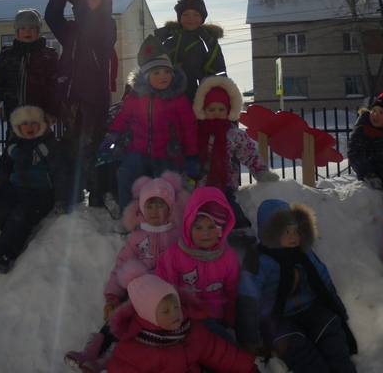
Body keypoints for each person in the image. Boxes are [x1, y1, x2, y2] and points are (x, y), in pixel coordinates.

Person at [64, 172, 190, 372]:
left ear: (170, 207)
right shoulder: (137, 237)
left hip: (164, 294)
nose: (154, 211)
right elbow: (122, 265)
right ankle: (92, 350)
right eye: (149, 205)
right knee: (118, 315)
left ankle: (109, 357)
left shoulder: (177, 234)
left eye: (160, 205)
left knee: (132, 323)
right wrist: (113, 295)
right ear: (141, 208)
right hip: (139, 289)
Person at [236, 199, 358, 373]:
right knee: (295, 346)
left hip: (309, 308)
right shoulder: (259, 258)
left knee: (330, 331)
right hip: (276, 317)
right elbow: (248, 296)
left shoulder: (304, 252)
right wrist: (249, 338)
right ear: (271, 232)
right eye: (286, 231)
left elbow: (323, 280)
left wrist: (338, 310)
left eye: (297, 230)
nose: (293, 236)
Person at [45, 0, 117, 208]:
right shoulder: (72, 30)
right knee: (71, 144)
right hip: (70, 94)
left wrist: (76, 1)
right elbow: (52, 18)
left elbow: (90, 28)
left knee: (91, 144)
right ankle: (73, 190)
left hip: (94, 96)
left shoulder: (106, 26)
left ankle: (96, 190)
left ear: (103, 4)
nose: (89, 3)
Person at [106, 260, 259, 373]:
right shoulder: (133, 352)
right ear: (148, 315)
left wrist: (248, 369)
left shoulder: (191, 330)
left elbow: (219, 353)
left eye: (176, 307)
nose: (174, 313)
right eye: (166, 311)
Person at [103, 35, 198, 214]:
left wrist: (192, 156)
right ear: (146, 77)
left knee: (169, 184)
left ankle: (171, 216)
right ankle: (128, 213)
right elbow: (123, 117)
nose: (163, 77)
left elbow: (189, 128)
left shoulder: (177, 98)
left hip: (168, 154)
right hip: (139, 151)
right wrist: (114, 133)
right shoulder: (135, 97)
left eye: (166, 72)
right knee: (125, 174)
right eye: (156, 73)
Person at [0, 105, 72, 274]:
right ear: (18, 127)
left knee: (22, 213)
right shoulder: (14, 146)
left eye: (33, 123)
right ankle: (14, 226)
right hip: (15, 190)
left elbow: (62, 172)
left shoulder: (50, 145)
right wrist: (3, 187)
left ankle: (3, 255)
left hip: (40, 194)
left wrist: (61, 199)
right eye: (24, 124)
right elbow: (5, 166)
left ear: (41, 124)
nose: (29, 127)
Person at [192, 75, 279, 248]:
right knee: (196, 207)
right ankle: (196, 232)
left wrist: (261, 171)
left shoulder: (233, 134)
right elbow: (187, 154)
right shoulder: (196, 132)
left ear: (229, 110)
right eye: (211, 109)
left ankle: (241, 229)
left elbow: (249, 153)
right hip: (198, 182)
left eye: (221, 109)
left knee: (229, 202)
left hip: (224, 181)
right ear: (203, 109)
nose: (216, 113)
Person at [0, 8, 59, 189]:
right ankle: (8, 186)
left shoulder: (48, 55)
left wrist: (52, 111)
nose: (27, 32)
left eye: (32, 28)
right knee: (13, 150)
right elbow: (0, 81)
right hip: (14, 113)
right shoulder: (8, 55)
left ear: (38, 31)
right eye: (23, 28)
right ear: (17, 31)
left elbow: (54, 86)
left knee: (44, 150)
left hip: (39, 114)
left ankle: (47, 186)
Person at [156, 186, 240, 344]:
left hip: (215, 318)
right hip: (183, 317)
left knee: (223, 346)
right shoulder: (174, 255)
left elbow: (232, 292)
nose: (205, 233)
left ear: (221, 229)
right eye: (199, 227)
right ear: (189, 227)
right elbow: (164, 289)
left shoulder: (227, 257)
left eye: (211, 227)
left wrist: (230, 320)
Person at [154, 0, 226, 102]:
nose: (191, 18)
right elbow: (155, 66)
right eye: (186, 14)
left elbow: (217, 71)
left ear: (202, 18)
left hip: (197, 97)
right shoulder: (168, 40)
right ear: (179, 17)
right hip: (169, 97)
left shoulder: (208, 42)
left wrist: (216, 97)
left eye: (196, 15)